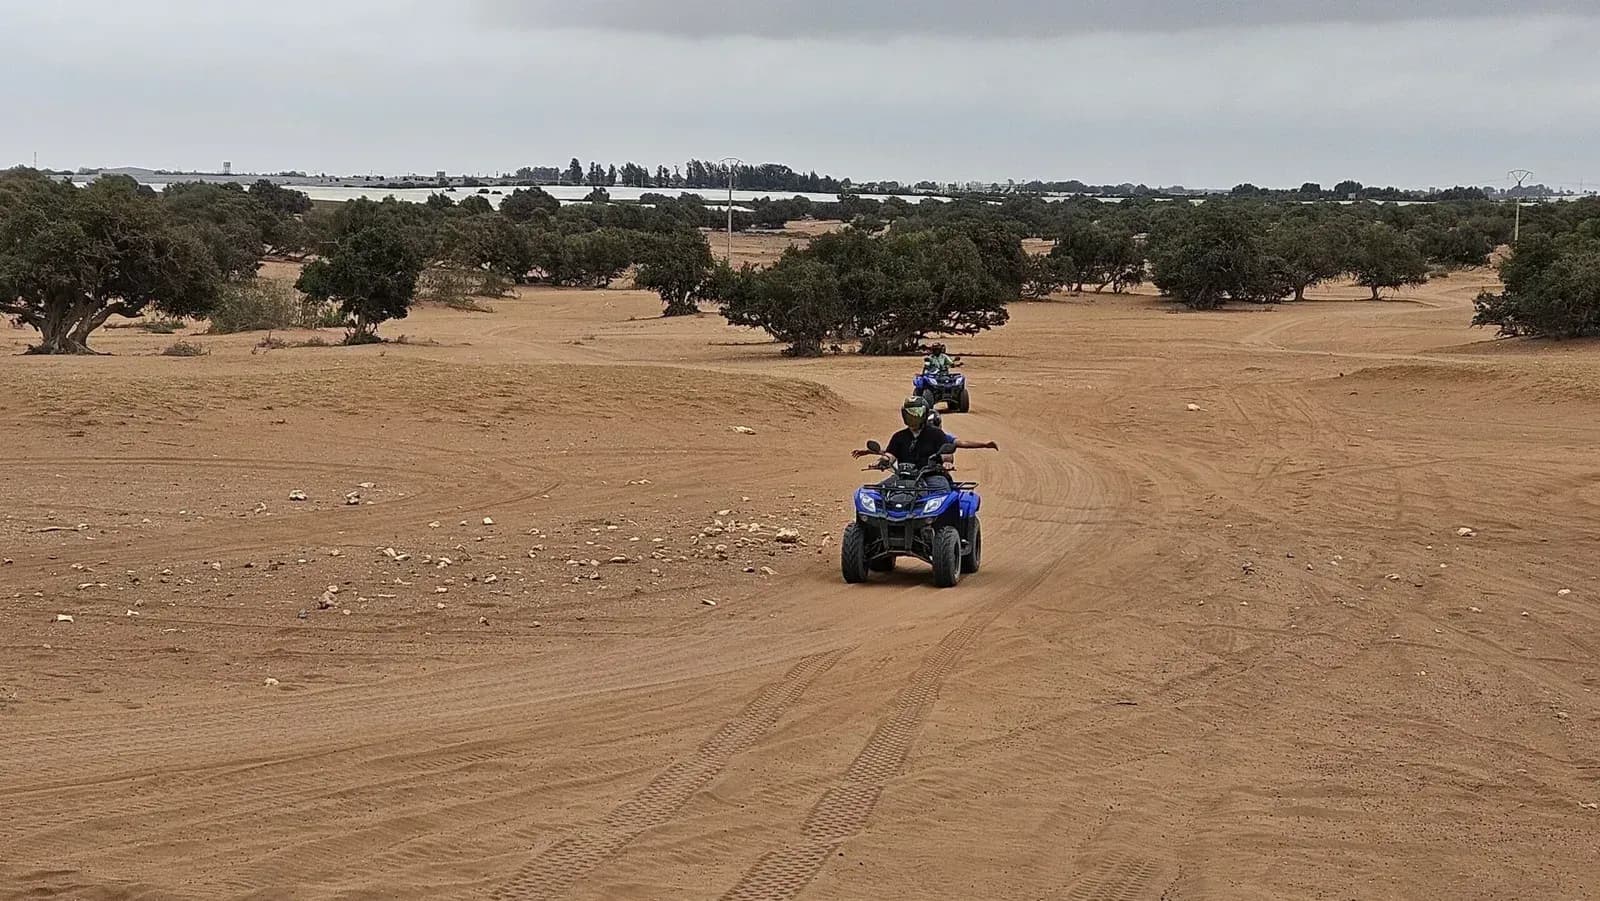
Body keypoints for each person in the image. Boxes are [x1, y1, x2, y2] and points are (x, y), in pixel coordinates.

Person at [853, 397, 997, 490]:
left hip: (932, 476)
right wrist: (881, 461)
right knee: (875, 493)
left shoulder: (937, 435)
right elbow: (890, 455)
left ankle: (943, 531)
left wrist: (946, 463)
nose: (912, 418)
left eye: (916, 414)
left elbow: (947, 453)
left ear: (924, 414)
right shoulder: (899, 436)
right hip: (903, 476)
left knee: (943, 496)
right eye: (909, 414)